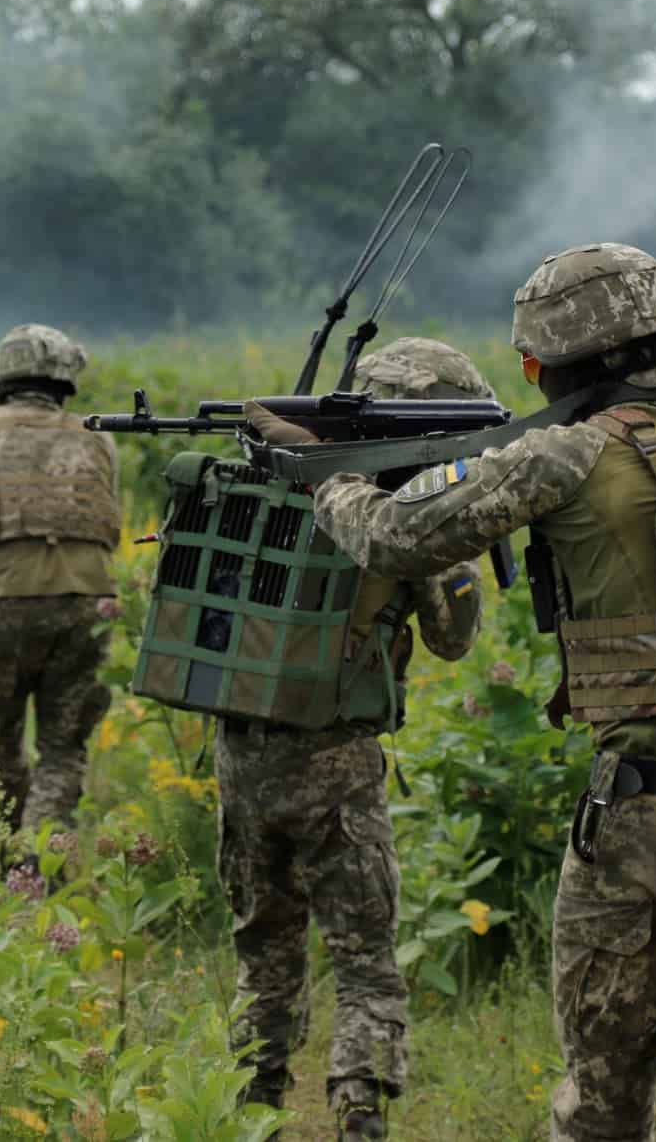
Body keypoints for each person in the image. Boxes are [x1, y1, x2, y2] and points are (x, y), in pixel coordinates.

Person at [309, 246, 656, 1141]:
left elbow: (398, 536)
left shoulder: (568, 452)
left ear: (556, 359)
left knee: (601, 1105)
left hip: (649, 821)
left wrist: (331, 482)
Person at [234, 338, 488, 1141]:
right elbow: (452, 638)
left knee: (263, 947)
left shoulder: (269, 475)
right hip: (335, 756)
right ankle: (359, 1116)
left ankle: (252, 1107)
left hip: (240, 748)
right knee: (364, 960)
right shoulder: (391, 506)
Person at [0, 325, 121, 866]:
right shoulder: (98, 435)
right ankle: (41, 861)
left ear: (1, 377)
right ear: (64, 381)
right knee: (63, 746)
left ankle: (7, 861)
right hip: (90, 602)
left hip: (8, 599)